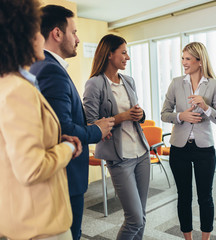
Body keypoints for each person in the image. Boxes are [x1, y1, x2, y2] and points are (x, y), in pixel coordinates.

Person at [30, 5, 115, 240]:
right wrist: (95, 131)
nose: (78, 39)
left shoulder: (43, 67)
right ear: (57, 34)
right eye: (74, 32)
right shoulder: (51, 70)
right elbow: (62, 129)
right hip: (64, 177)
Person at [0, 0, 82, 239]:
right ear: (22, 35)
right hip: (40, 224)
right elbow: (31, 168)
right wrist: (67, 147)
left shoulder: (9, 83)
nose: (42, 37)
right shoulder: (16, 89)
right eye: (37, 30)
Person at [83, 34, 150, 240]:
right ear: (109, 54)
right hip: (120, 159)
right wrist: (120, 117)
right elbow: (90, 123)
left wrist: (141, 115)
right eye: (123, 52)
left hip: (141, 153)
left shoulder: (128, 81)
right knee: (134, 219)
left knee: (142, 217)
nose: (127, 57)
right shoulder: (95, 83)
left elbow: (136, 114)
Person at [161, 42, 216, 240]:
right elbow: (164, 114)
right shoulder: (176, 83)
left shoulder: (214, 85)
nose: (184, 62)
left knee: (205, 197)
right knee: (184, 196)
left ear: (200, 61)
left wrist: (205, 106)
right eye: (183, 58)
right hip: (179, 148)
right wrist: (181, 116)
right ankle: (188, 238)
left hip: (204, 149)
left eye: (188, 59)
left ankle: (205, 238)